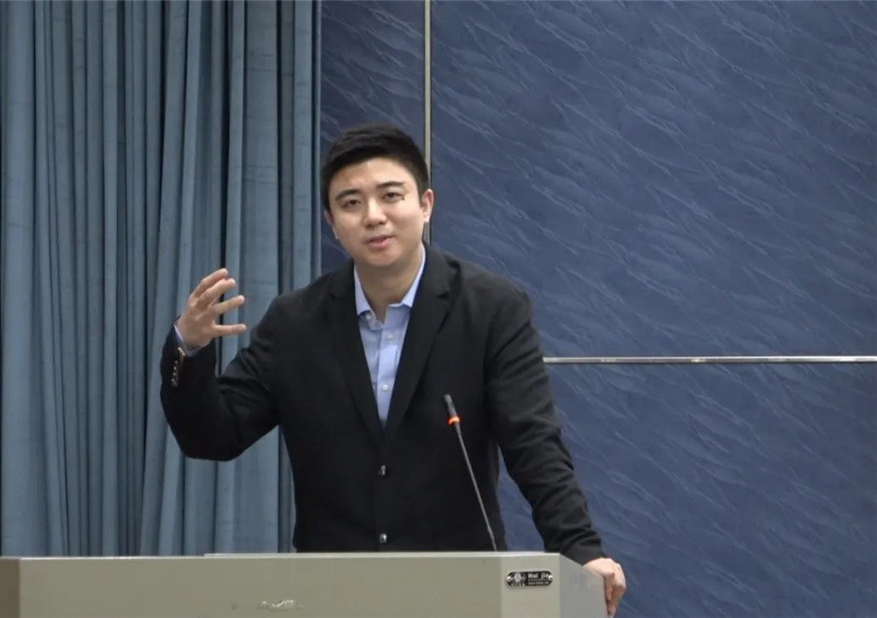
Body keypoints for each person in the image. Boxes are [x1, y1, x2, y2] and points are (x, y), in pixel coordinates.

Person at [161, 123, 626, 614]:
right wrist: (188, 347)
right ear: (331, 221)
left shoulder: (491, 309)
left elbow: (533, 444)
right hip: (333, 595)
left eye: (390, 196)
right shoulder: (295, 323)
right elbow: (212, 436)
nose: (374, 216)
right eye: (351, 203)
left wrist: (581, 551)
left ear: (425, 204)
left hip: (460, 591)